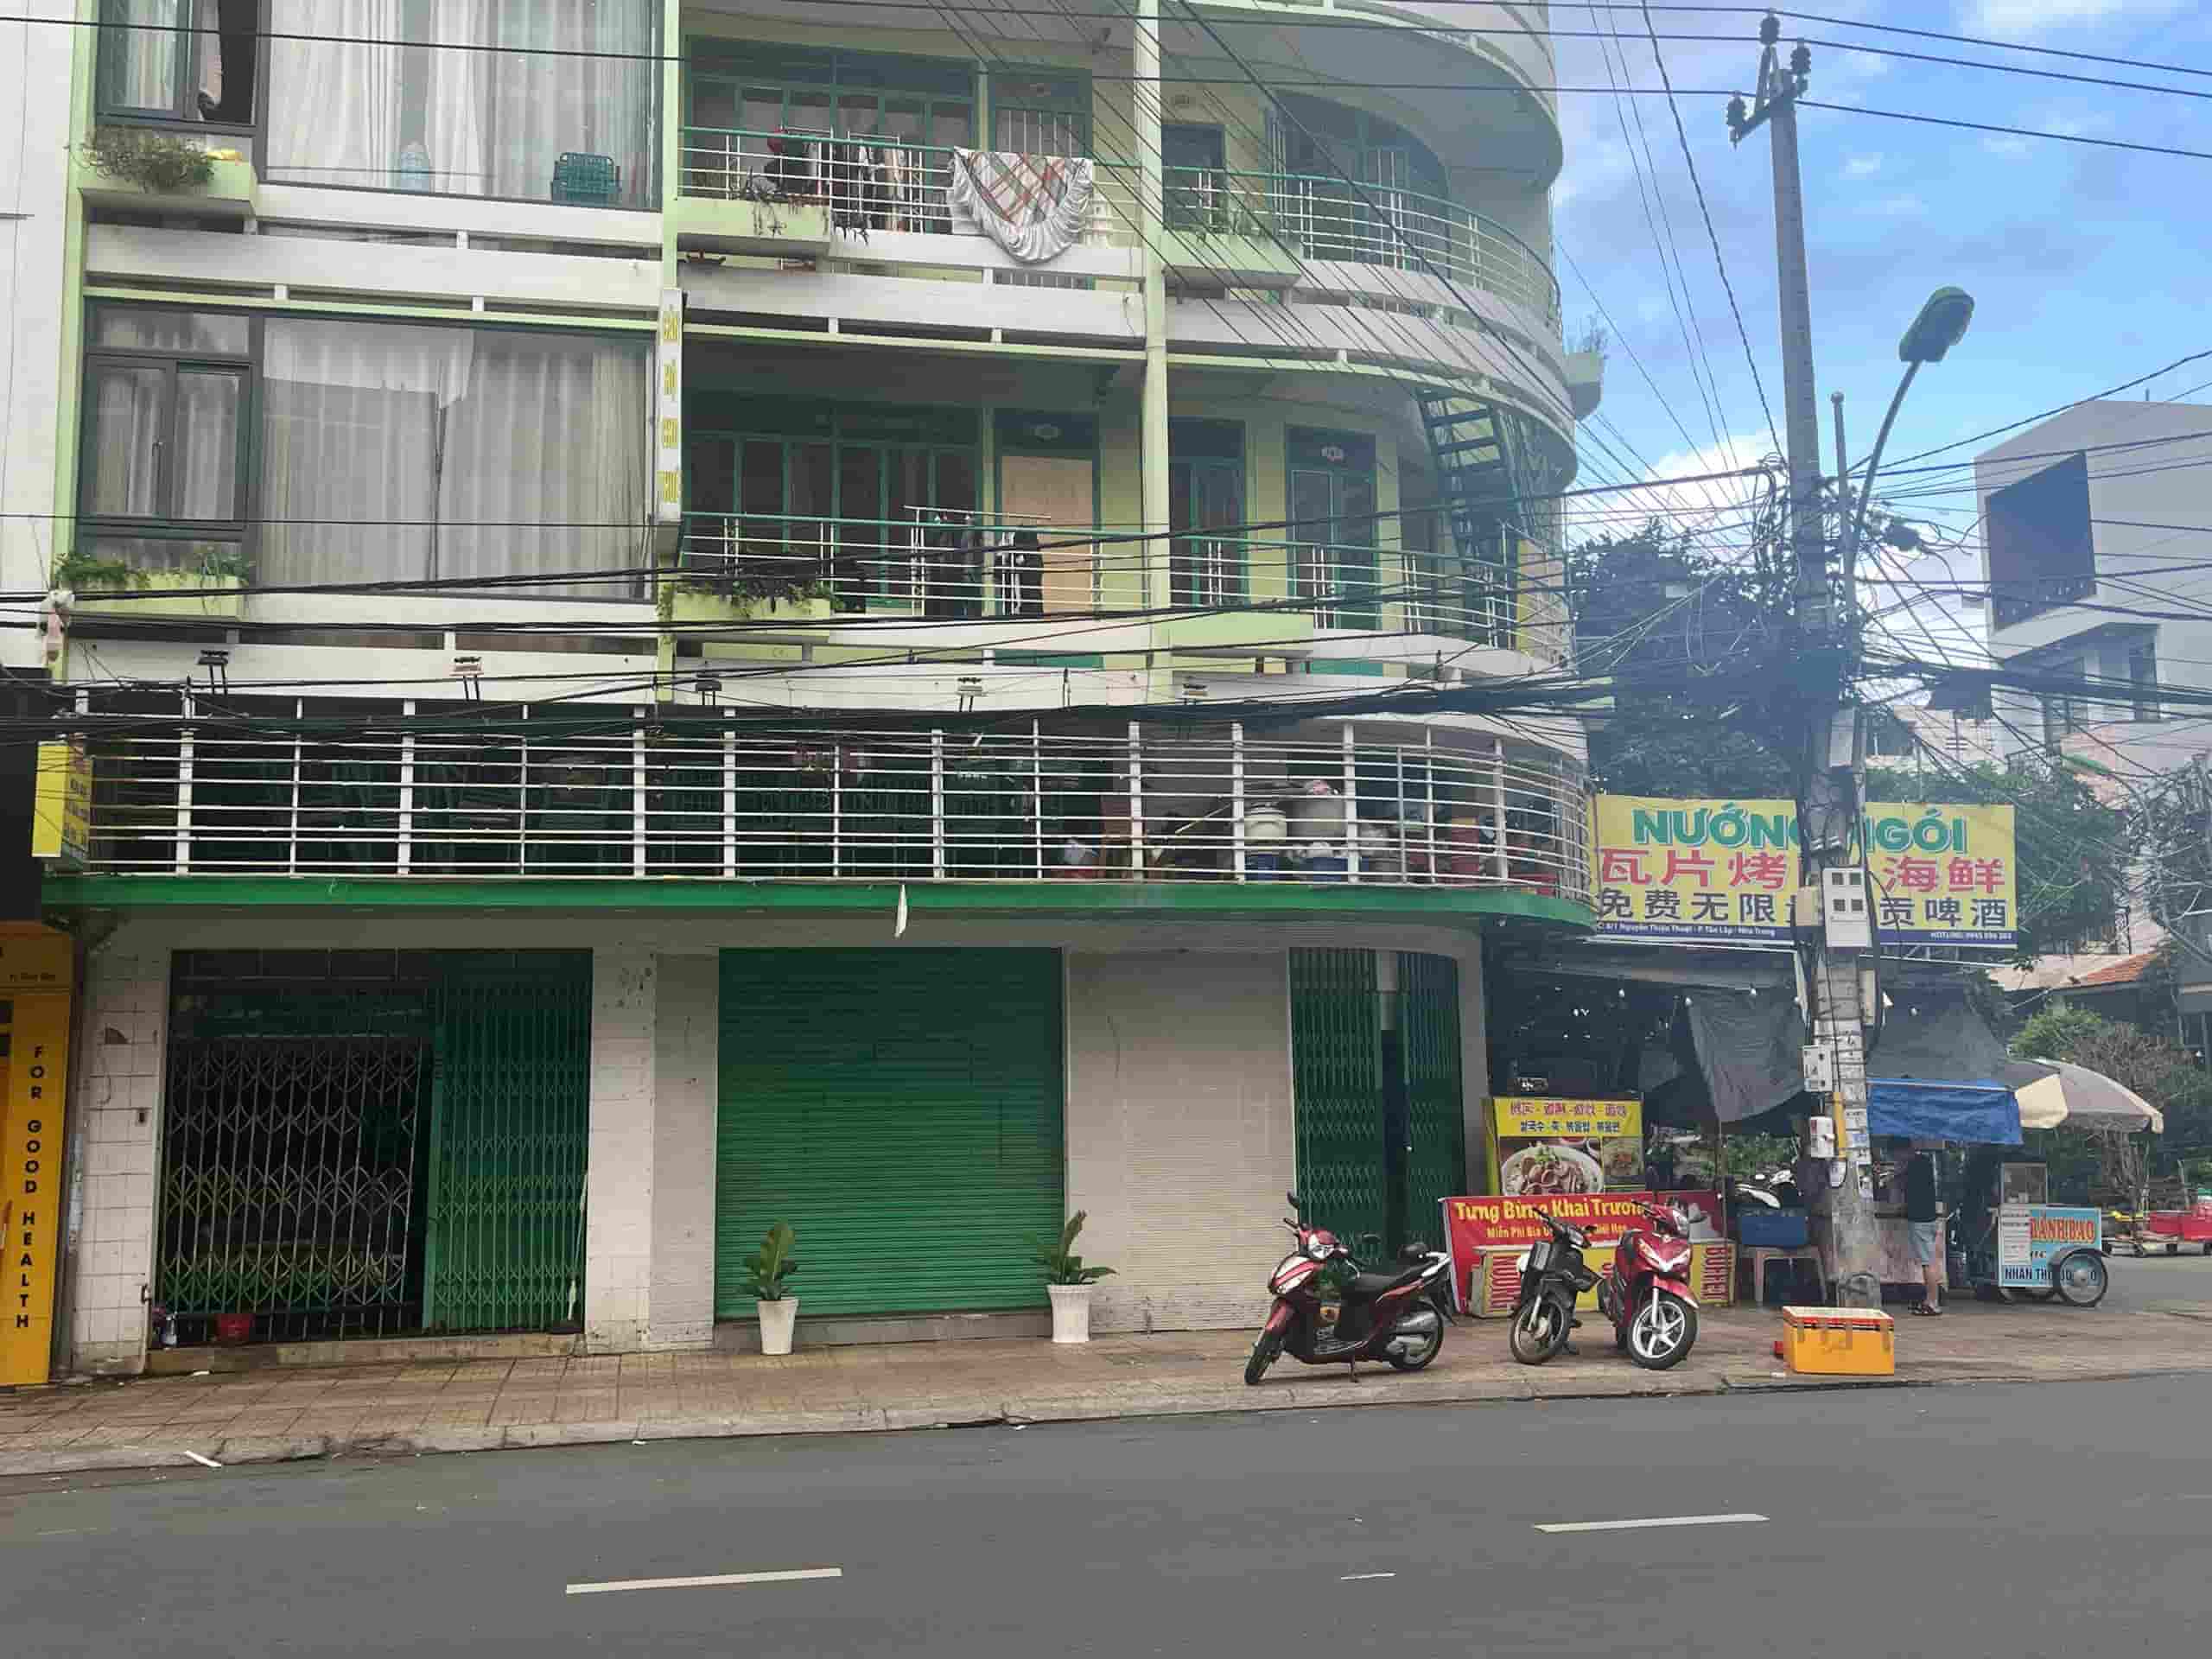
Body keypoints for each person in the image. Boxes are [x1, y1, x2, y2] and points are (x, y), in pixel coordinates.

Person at [1905, 1148, 1944, 1315]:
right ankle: (1930, 1300)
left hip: (1920, 1220)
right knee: (1930, 1261)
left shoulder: (1913, 1166)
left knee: (1928, 1263)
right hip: (1930, 1218)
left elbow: (1910, 1192)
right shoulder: (1926, 1162)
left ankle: (1932, 1303)